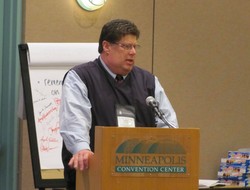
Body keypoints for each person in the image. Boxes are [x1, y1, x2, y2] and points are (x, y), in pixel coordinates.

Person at [59, 19, 178, 190]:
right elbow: (74, 120)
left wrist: (171, 145)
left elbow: (168, 122)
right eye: (126, 46)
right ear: (106, 46)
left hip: (143, 177)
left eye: (135, 47)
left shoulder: (148, 81)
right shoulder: (80, 77)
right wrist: (82, 149)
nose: (133, 52)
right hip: (93, 176)